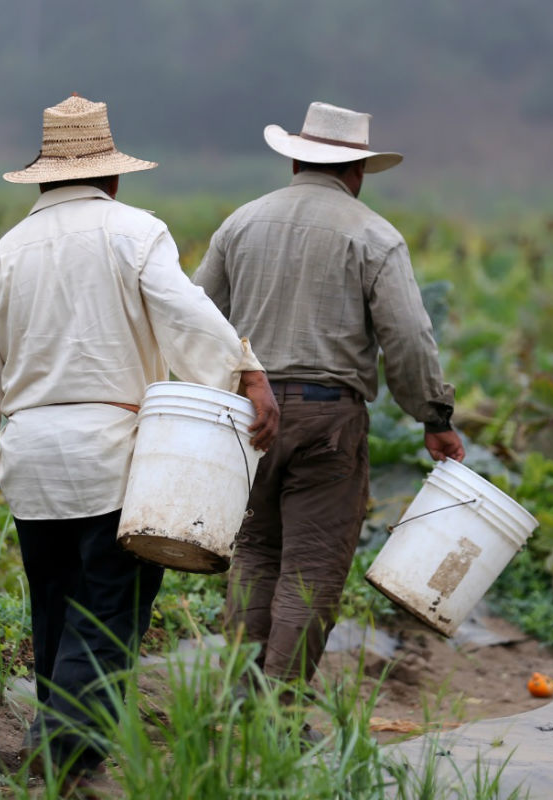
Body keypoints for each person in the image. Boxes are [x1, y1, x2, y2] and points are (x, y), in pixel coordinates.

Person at [0, 94, 279, 783]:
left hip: (33, 462)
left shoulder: (5, 254)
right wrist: (244, 368)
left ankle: (72, 763)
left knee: (55, 614)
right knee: (105, 619)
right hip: (112, 457)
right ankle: (61, 758)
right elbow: (186, 313)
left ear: (41, 178)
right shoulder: (136, 233)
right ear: (114, 177)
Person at [192, 101, 465, 702]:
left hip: (247, 416)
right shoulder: (374, 235)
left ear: (295, 157)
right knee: (310, 570)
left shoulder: (241, 223)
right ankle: (279, 718)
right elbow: (409, 338)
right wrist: (434, 417)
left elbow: (193, 313)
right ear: (359, 171)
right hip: (327, 420)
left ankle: (239, 704)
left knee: (255, 556)